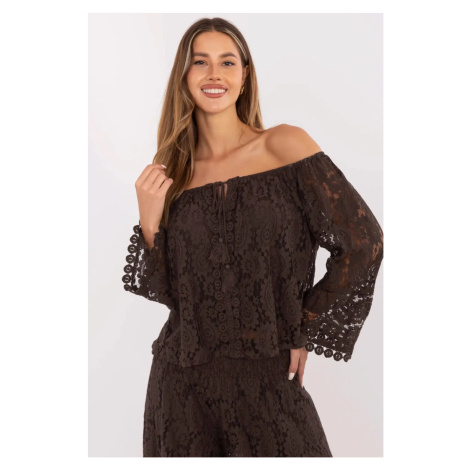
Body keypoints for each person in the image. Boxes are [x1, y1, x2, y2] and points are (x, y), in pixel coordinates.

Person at [122, 17, 384, 457]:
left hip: (270, 375)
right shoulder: (173, 174)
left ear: (244, 76)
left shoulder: (285, 145)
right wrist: (150, 225)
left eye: (227, 62)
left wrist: (303, 326)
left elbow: (363, 242)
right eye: (200, 62)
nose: (214, 74)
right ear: (183, 76)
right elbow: (174, 296)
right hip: (182, 388)